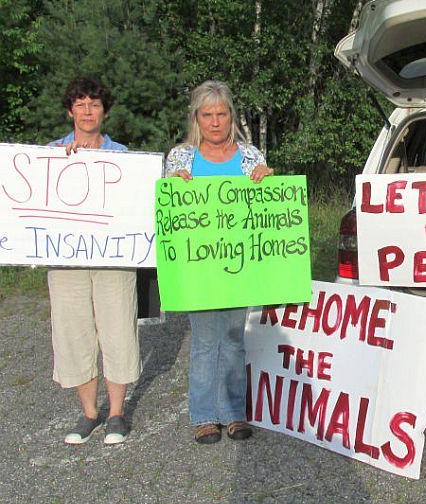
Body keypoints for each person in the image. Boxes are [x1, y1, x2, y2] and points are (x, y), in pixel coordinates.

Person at [164, 80, 273, 444]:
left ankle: (234, 413)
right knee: (205, 342)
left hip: (240, 266)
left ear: (231, 116)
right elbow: (168, 214)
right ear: (196, 117)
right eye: (207, 115)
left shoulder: (249, 157)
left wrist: (268, 182)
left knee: (234, 340)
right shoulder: (180, 157)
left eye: (221, 114)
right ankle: (204, 415)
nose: (214, 122)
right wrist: (172, 186)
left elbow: (268, 209)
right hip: (198, 268)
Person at [48, 76, 140, 445]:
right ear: (70, 110)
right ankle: (89, 413)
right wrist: (57, 164)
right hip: (66, 259)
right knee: (73, 333)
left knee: (117, 328)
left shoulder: (122, 156)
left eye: (95, 104)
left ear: (104, 111)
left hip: (112, 257)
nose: (88, 111)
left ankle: (116, 414)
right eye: (81, 104)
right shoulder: (50, 154)